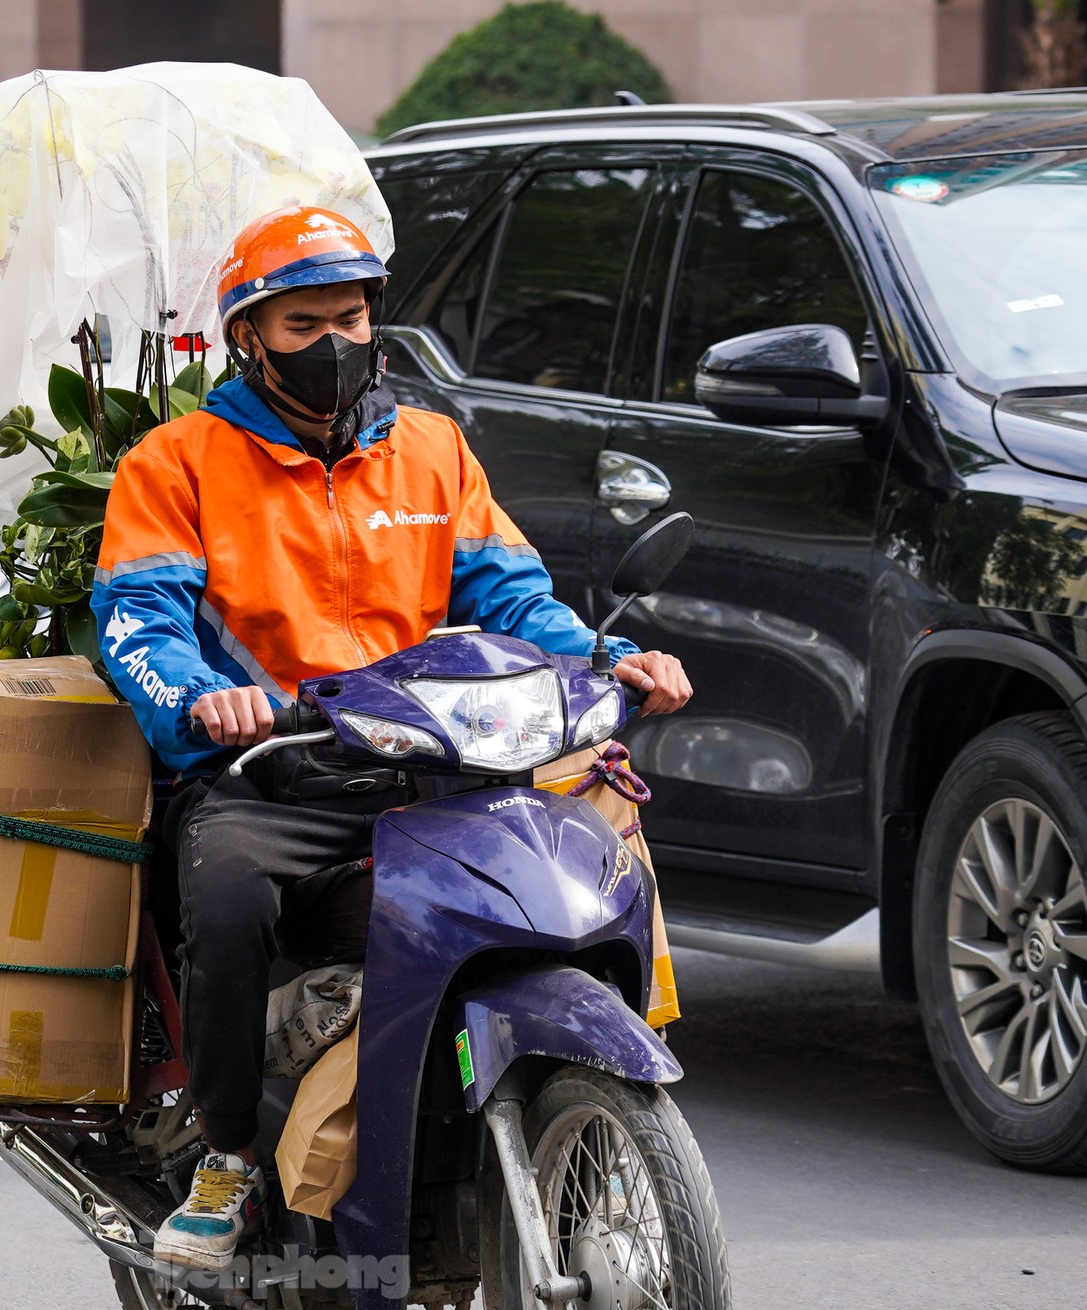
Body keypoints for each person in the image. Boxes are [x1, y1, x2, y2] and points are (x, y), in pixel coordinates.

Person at [90, 206, 692, 1272]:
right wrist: (198, 699)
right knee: (225, 899)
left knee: (566, 858)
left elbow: (513, 594)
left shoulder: (429, 451)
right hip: (270, 771)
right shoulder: (176, 462)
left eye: (352, 315)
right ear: (248, 337)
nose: (334, 342)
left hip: (433, 762)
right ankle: (226, 1150)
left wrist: (609, 658)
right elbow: (139, 622)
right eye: (302, 321)